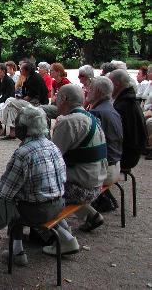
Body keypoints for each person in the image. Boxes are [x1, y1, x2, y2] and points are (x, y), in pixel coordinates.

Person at [0, 106, 65, 282]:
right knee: (19, 197)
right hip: (57, 205)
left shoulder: (24, 152)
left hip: (35, 211)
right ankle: (17, 251)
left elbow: (5, 193)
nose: (15, 127)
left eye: (17, 124)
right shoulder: (51, 145)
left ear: (24, 128)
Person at [47, 84, 107, 255]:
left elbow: (52, 157)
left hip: (83, 188)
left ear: (64, 99)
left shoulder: (68, 122)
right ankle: (91, 215)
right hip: (97, 182)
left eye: (57, 96)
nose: (54, 98)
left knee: (39, 188)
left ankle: (66, 240)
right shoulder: (91, 117)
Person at [79, 76, 123, 230]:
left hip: (105, 170)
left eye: (89, 89)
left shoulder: (97, 113)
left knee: (61, 180)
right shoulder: (110, 109)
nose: (86, 91)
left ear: (97, 91)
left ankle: (92, 215)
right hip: (116, 165)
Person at [108, 69, 147, 169]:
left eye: (109, 84)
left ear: (116, 84)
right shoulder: (129, 100)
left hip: (125, 157)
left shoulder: (122, 105)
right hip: (133, 154)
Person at [0, 62, 49, 139]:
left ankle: (0, 121)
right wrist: (20, 97)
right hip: (31, 102)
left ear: (27, 70)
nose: (20, 70)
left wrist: (20, 98)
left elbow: (29, 97)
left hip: (37, 104)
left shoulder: (34, 79)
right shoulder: (28, 77)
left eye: (21, 69)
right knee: (11, 107)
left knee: (9, 100)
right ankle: (12, 133)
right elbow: (25, 95)